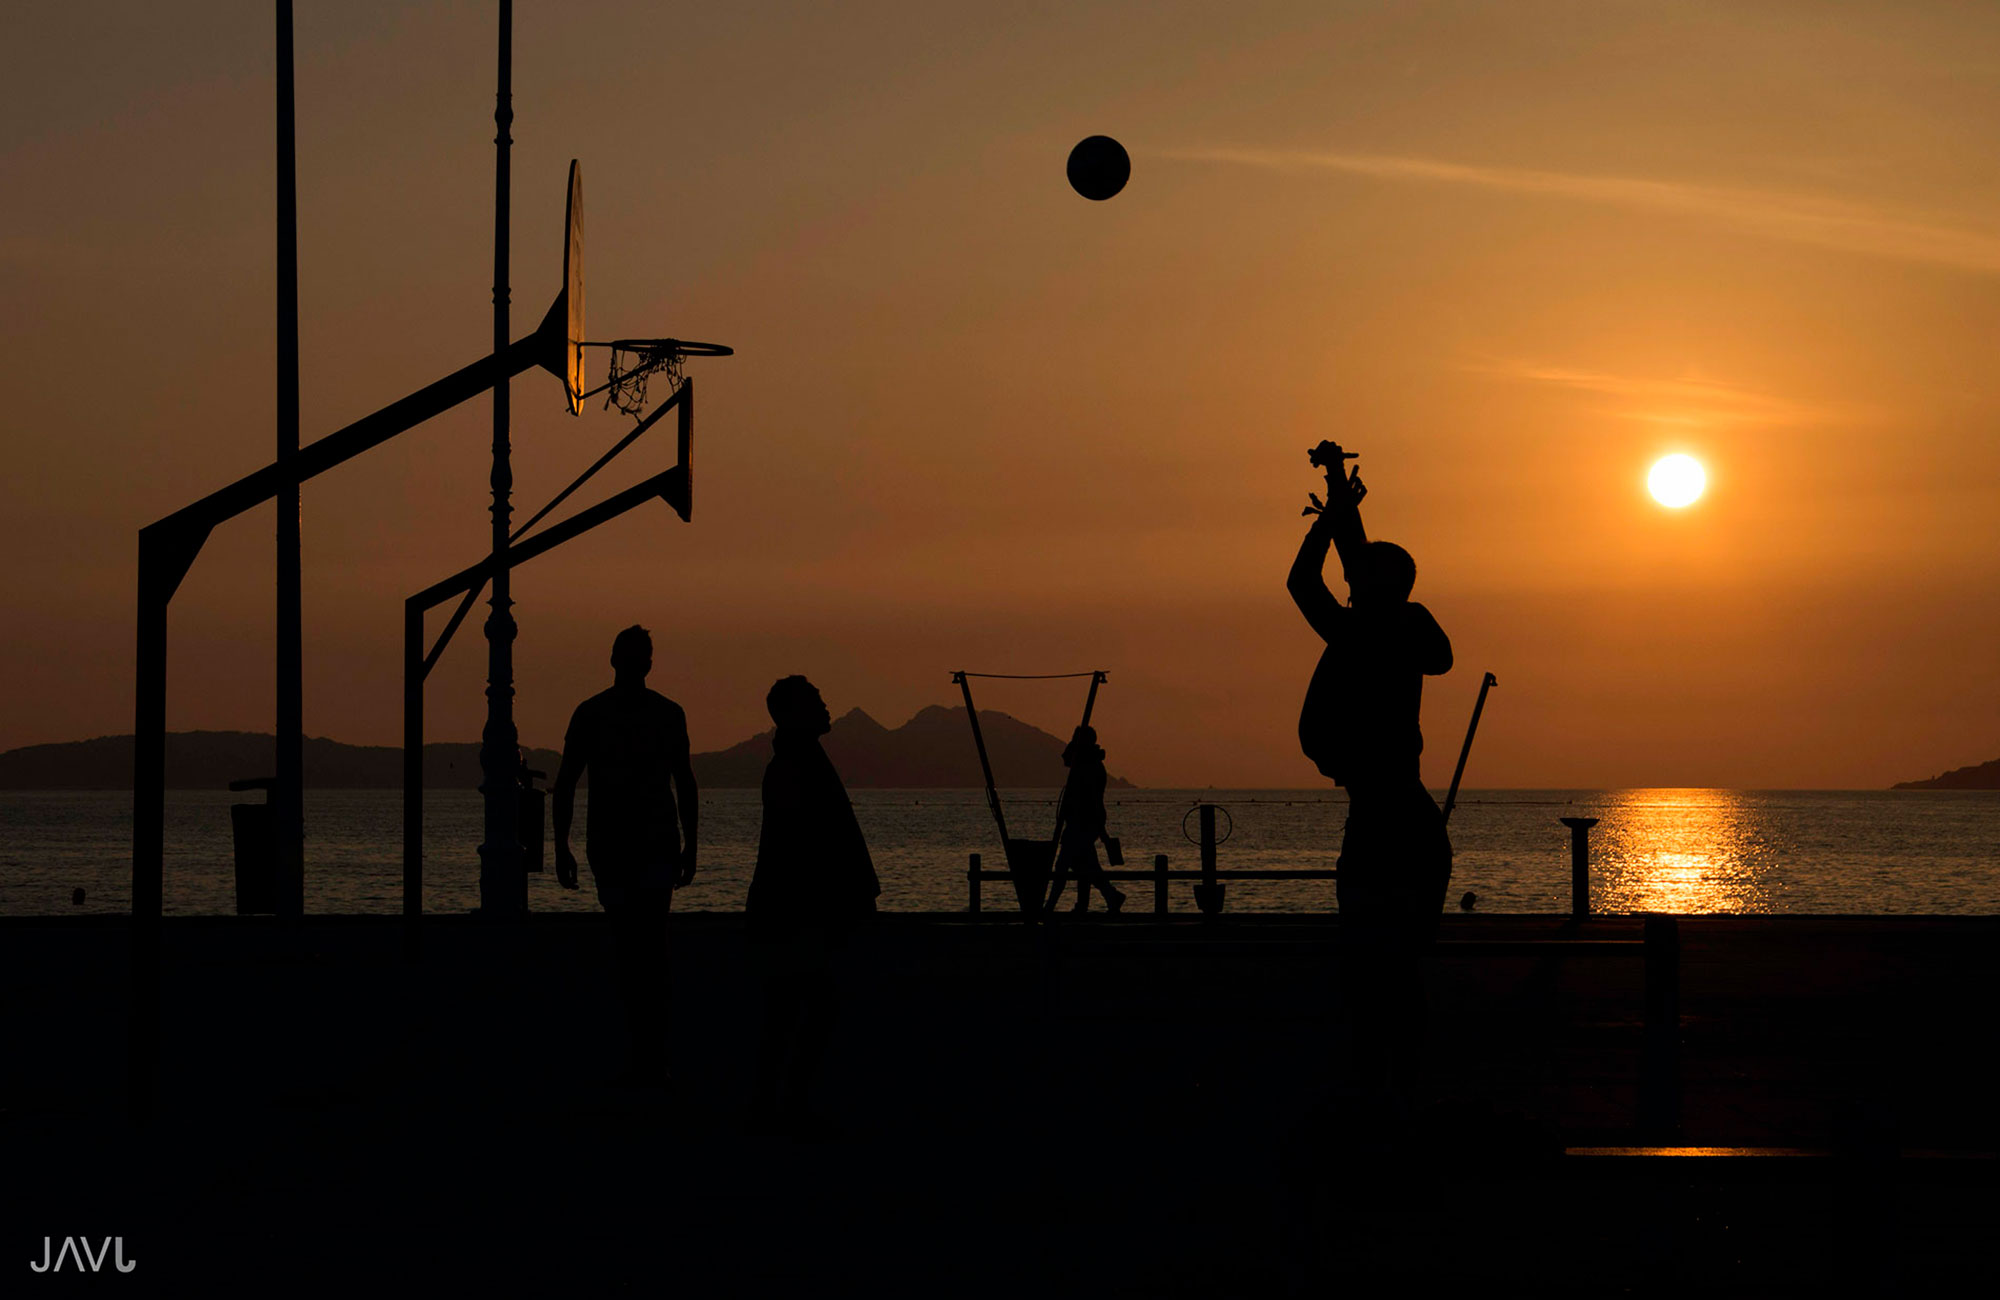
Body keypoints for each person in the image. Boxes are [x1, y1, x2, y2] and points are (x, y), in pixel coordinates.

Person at [1288, 442, 1453, 1115]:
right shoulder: (1389, 627)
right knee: (1390, 966)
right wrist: (1337, 508)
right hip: (1404, 819)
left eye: (1359, 581)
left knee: (1373, 962)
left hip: (1388, 820)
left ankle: (1385, 1085)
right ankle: (1393, 1084)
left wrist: (1331, 519)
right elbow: (1328, 583)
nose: (1349, 586)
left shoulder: (1379, 631)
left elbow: (1306, 583)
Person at [553, 625, 698, 1087]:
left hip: (629, 844)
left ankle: (647, 1056)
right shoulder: (659, 714)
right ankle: (650, 1056)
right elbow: (686, 783)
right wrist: (691, 843)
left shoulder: (597, 713)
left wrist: (561, 844)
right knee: (646, 950)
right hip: (634, 844)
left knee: (636, 950)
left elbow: (566, 782)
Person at [747, 676, 880, 1133]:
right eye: (816, 701)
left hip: (793, 907)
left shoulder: (798, 761)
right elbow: (803, 845)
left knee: (792, 1009)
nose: (826, 706)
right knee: (806, 1007)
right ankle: (783, 1104)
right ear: (794, 713)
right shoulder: (792, 766)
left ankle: (776, 1102)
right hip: (794, 909)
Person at [1046, 725, 1126, 914]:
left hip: (1084, 822)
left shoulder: (1090, 766)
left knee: (1064, 864)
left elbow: (1093, 799)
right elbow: (1066, 758)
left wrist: (1101, 830)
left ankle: (1049, 906)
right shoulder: (1082, 762)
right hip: (1081, 821)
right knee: (1086, 864)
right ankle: (1108, 896)